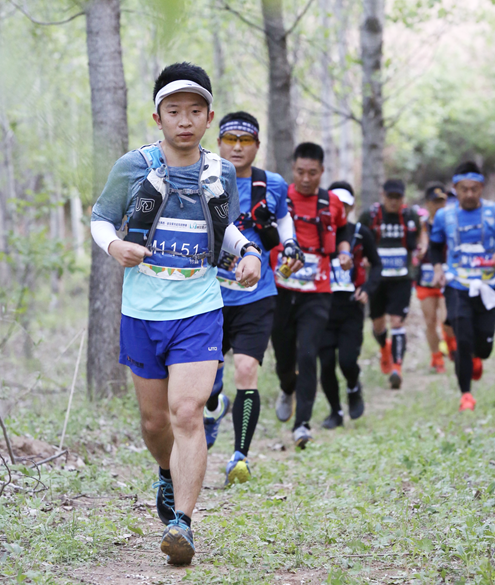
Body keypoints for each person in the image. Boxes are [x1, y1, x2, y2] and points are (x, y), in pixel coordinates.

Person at [90, 62, 262, 566]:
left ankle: (182, 523)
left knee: (188, 413)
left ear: (208, 117)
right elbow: (101, 218)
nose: (183, 120)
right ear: (157, 116)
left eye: (194, 111)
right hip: (142, 309)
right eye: (173, 111)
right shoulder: (133, 166)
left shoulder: (220, 172)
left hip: (200, 307)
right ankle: (167, 473)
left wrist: (248, 250)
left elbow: (225, 228)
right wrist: (116, 246)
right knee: (154, 421)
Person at [203, 112, 304, 484]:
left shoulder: (272, 184)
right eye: (230, 139)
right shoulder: (204, 178)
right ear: (219, 142)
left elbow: (284, 218)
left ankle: (239, 457)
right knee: (205, 381)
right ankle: (214, 408)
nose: (237, 147)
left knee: (246, 372)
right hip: (207, 295)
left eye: (245, 141)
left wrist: (290, 243)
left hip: (256, 297)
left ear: (257, 146)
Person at [270, 143, 352, 448]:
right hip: (280, 288)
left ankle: (301, 424)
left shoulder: (332, 202)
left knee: (308, 354)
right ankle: (286, 387)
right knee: (283, 354)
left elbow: (342, 231)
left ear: (322, 172)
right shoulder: (280, 197)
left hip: (318, 291)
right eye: (301, 172)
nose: (306, 178)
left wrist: (343, 252)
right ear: (293, 169)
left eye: (313, 173)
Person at [429, 161, 495, 411]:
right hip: (457, 284)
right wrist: (439, 268)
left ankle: (478, 356)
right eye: (464, 189)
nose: (470, 194)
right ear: (455, 189)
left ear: (482, 187)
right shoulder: (444, 215)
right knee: (462, 337)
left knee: (483, 345)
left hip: (488, 284)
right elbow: (434, 246)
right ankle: (466, 396)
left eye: (475, 189)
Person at [319, 181, 382, 429]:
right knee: (325, 364)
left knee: (347, 360)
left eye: (345, 205)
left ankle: (354, 387)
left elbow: (377, 264)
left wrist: (367, 289)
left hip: (351, 307)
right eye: (336, 204)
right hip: (322, 305)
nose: (340, 209)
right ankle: (335, 411)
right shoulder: (317, 231)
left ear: (352, 206)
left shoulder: (360, 233)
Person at [359, 178, 421, 390]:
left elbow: (420, 238)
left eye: (398, 198)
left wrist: (419, 252)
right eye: (390, 197)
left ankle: (397, 368)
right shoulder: (371, 216)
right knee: (378, 325)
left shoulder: (410, 216)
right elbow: (360, 240)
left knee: (397, 322)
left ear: (403, 198)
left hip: (402, 279)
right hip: (377, 279)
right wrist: (364, 258)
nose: (394, 202)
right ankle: (384, 348)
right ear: (383, 196)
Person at [415, 183, 456, 372]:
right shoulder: (421, 225)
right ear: (427, 203)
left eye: (442, 201)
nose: (439, 205)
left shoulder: (453, 222)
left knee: (448, 319)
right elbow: (418, 242)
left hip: (448, 277)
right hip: (425, 278)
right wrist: (420, 250)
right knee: (430, 320)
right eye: (435, 202)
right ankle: (436, 358)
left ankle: (452, 345)